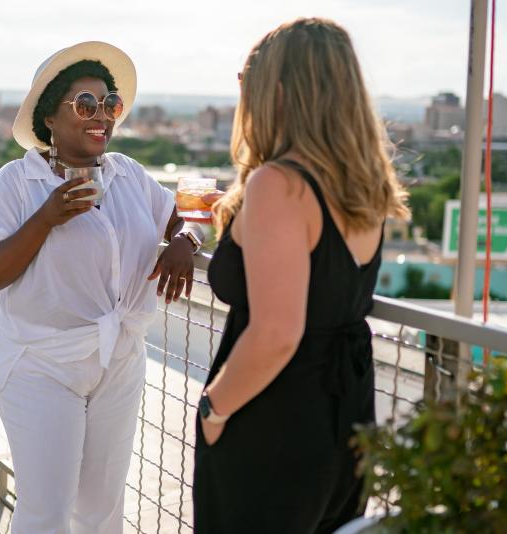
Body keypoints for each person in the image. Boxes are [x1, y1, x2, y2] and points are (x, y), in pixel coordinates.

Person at [0, 41, 205, 534]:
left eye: (109, 104)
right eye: (85, 104)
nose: (101, 116)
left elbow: (191, 214)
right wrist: (46, 217)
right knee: (47, 511)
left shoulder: (129, 175)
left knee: (101, 508)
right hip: (41, 364)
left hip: (119, 360)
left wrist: (185, 239)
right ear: (49, 118)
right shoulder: (17, 182)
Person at [192, 19, 409, 533]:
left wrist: (214, 409)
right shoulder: (363, 186)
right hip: (347, 421)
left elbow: (276, 333)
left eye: (249, 79)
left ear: (281, 91)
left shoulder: (280, 184)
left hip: (273, 419)